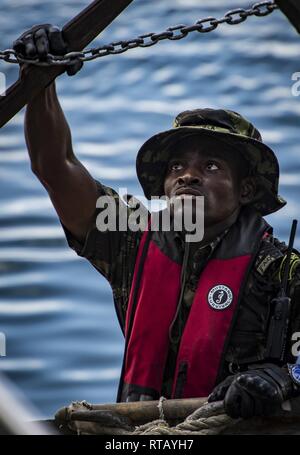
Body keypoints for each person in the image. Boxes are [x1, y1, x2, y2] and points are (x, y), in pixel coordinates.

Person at [13, 25, 300, 419]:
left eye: (211, 166)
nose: (187, 175)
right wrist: (39, 79)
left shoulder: (283, 271)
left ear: (246, 190)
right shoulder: (129, 239)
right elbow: (54, 166)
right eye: (177, 166)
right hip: (143, 436)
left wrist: (282, 377)